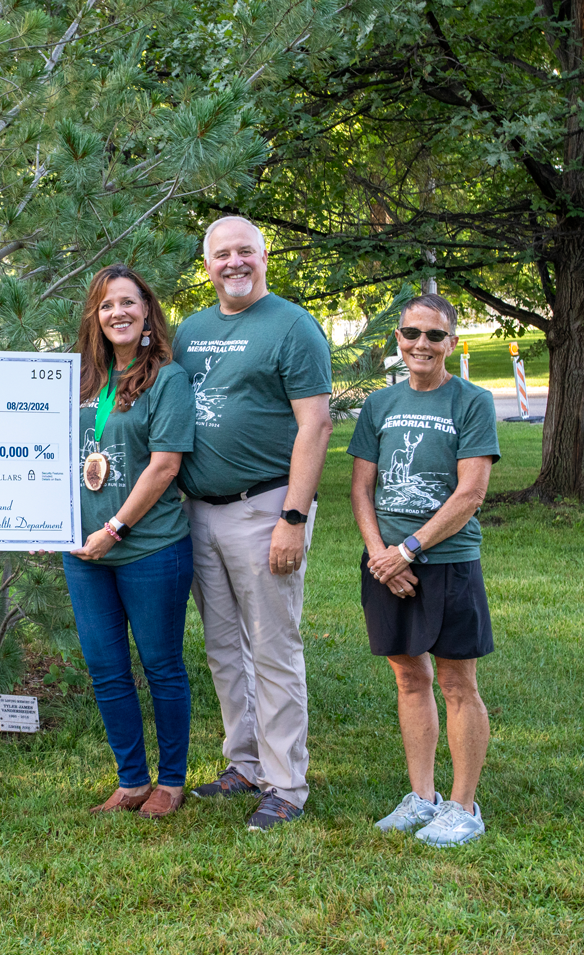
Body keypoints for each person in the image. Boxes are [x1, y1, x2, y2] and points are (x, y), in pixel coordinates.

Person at [173, 216, 334, 831]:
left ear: (263, 256)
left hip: (265, 508)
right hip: (200, 511)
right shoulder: (192, 331)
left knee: (272, 647)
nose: (233, 263)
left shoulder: (293, 327)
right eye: (221, 255)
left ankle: (287, 783)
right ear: (207, 263)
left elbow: (315, 426)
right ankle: (244, 763)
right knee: (222, 648)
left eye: (245, 252)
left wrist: (293, 516)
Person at [349, 293, 499, 846]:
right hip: (386, 565)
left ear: (451, 343)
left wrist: (406, 550)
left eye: (435, 336)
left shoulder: (472, 401)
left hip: (447, 563)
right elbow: (362, 489)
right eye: (412, 333)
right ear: (399, 339)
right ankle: (422, 797)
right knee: (410, 678)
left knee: (458, 683)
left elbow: (471, 493)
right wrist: (378, 556)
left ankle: (464, 806)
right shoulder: (379, 405)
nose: (422, 345)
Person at [61, 264, 197, 820]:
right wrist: (44, 525)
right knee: (105, 666)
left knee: (161, 664)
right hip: (84, 556)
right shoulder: (81, 382)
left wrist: (114, 528)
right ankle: (131, 780)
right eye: (106, 304)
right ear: (96, 316)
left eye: (128, 303)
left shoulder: (168, 380)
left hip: (150, 548)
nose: (117, 312)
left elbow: (164, 467)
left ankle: (171, 781)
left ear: (147, 314)